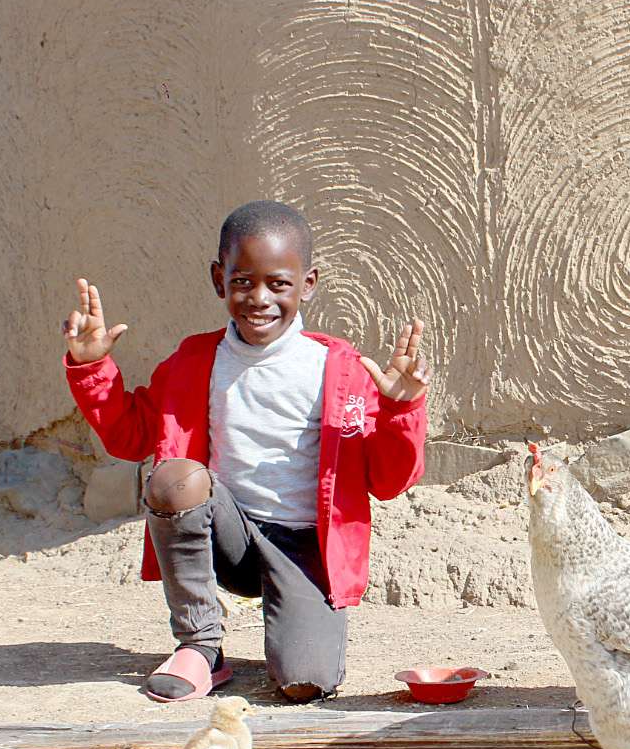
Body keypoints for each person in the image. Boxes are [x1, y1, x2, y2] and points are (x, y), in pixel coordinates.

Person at [61, 199, 429, 703]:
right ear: (219, 280)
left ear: (308, 284)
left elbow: (388, 483)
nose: (259, 298)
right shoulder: (195, 361)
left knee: (305, 684)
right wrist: (91, 367)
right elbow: (131, 436)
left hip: (305, 549)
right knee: (174, 478)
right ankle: (200, 645)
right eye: (241, 281)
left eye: (278, 283)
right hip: (226, 534)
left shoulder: (339, 370)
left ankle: (295, 630)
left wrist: (399, 409)